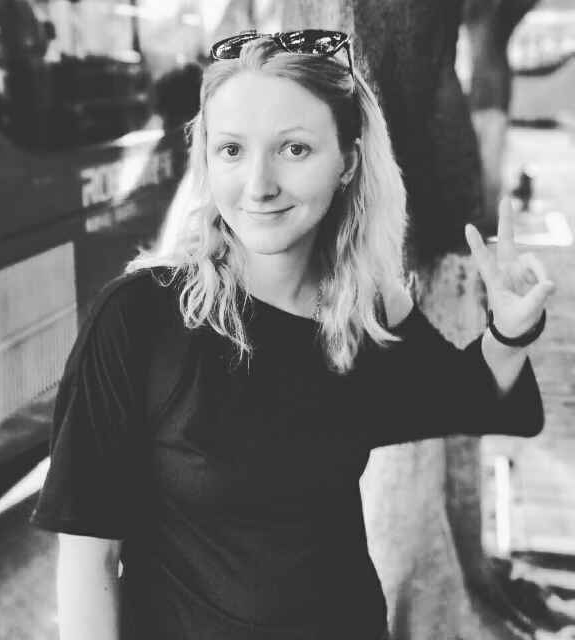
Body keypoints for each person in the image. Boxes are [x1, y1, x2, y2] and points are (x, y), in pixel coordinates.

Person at [29, 29, 555, 640]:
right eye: (231, 150)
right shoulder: (139, 319)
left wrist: (511, 330)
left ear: (348, 162)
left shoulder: (365, 310)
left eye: (294, 149)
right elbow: (88, 557)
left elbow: (467, 394)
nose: (259, 184)